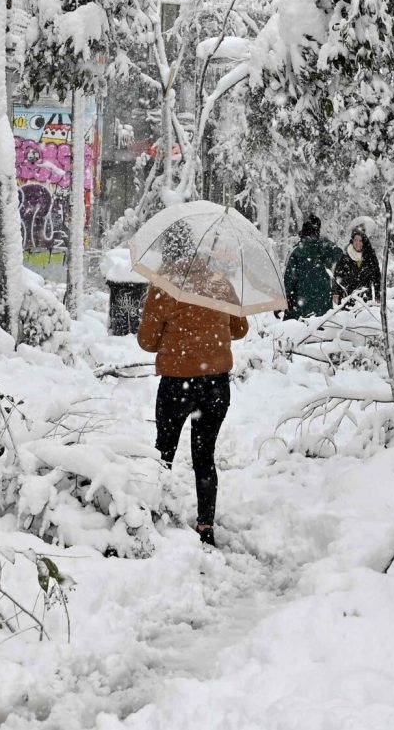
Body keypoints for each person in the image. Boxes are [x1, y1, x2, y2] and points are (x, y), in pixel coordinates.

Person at [137, 227, 249, 547]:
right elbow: (240, 328)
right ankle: (205, 526)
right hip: (215, 384)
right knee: (204, 456)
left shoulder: (163, 286)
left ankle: (156, 516)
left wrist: (175, 337)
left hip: (177, 384)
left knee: (164, 453)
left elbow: (147, 341)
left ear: (168, 252)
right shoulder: (218, 282)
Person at [282, 214, 341, 320]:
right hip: (322, 305)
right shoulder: (324, 249)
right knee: (321, 333)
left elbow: (288, 280)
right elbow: (339, 254)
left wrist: (283, 301)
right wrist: (325, 241)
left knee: (299, 333)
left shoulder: (297, 251)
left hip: (300, 305)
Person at [333, 226, 383, 306]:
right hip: (347, 297)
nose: (357, 243)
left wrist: (377, 294)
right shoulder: (345, 256)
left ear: (364, 242)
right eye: (355, 240)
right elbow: (337, 276)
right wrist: (336, 293)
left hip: (365, 297)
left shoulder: (370, 256)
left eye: (360, 240)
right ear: (352, 240)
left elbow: (376, 276)